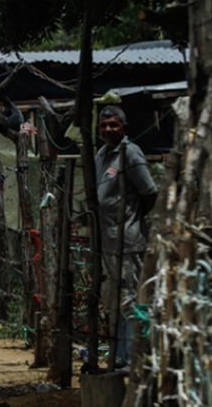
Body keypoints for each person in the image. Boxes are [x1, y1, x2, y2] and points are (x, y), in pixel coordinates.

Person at [95, 105, 158, 367]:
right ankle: (120, 357)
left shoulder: (130, 153)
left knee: (132, 299)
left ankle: (134, 360)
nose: (109, 129)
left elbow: (150, 192)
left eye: (114, 125)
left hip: (129, 241)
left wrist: (132, 220)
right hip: (108, 242)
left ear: (124, 128)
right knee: (115, 300)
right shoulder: (101, 154)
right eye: (104, 125)